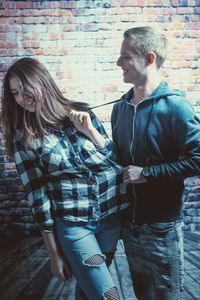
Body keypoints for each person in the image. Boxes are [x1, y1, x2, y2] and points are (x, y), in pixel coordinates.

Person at [1, 57, 129, 300]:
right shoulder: (23, 136)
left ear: (43, 83)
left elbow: (116, 160)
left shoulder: (81, 113)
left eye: (25, 89)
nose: (21, 98)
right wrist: (53, 254)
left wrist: (90, 132)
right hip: (74, 226)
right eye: (15, 93)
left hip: (111, 218)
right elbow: (36, 195)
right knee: (108, 295)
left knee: (88, 291)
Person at [111, 26, 200, 299]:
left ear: (149, 58)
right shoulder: (120, 108)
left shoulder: (176, 106)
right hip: (130, 226)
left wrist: (148, 173)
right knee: (142, 295)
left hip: (162, 228)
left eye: (125, 56)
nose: (118, 63)